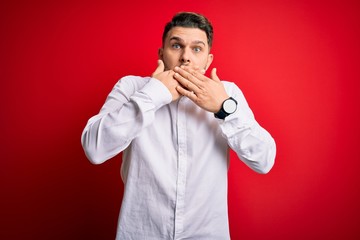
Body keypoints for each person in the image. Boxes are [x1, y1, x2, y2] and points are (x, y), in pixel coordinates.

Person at [81, 12, 276, 240]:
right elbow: (94, 149)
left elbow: (264, 161)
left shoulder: (227, 94)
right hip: (142, 233)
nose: (185, 57)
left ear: (208, 60)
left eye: (196, 49)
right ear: (162, 54)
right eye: (176, 46)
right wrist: (153, 94)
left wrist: (224, 108)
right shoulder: (132, 87)